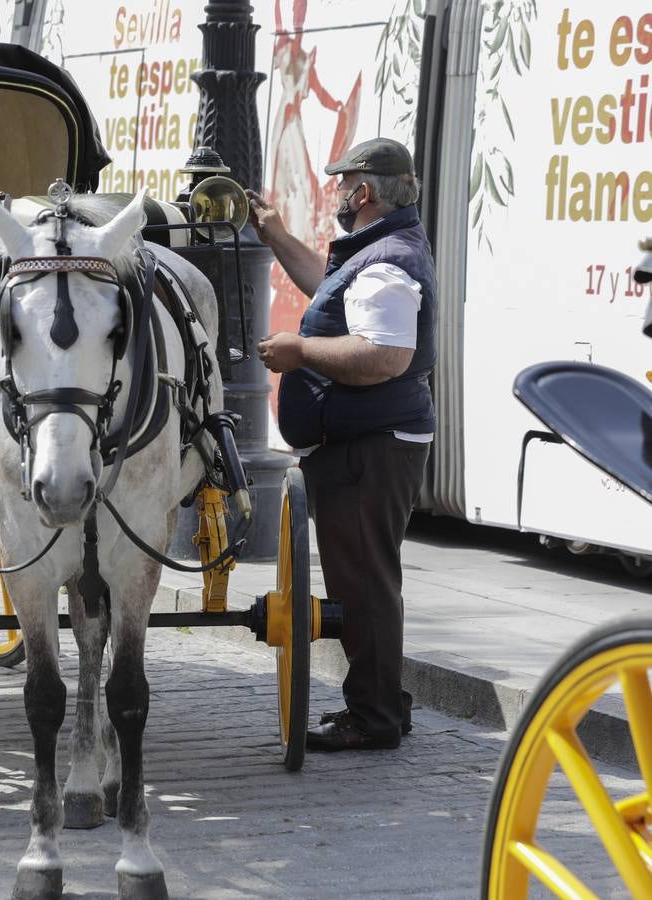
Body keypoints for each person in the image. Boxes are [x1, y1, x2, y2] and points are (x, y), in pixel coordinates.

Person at [247, 137, 436, 752]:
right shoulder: (380, 252)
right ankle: (385, 702)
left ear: (367, 192)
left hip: (371, 448)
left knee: (364, 584)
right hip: (370, 443)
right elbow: (334, 291)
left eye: (343, 181)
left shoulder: (387, 260)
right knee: (369, 579)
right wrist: (276, 234)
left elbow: (385, 354)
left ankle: (375, 716)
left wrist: (300, 351)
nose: (336, 191)